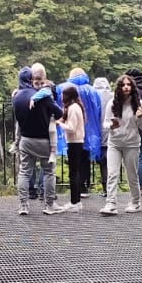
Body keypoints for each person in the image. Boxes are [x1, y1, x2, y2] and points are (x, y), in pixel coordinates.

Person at [12, 65, 63, 216]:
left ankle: (23, 205)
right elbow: (59, 113)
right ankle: (49, 205)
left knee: (24, 172)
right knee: (48, 172)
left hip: (26, 139)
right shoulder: (43, 96)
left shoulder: (17, 96)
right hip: (44, 140)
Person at [101, 73, 142, 215]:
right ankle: (111, 204)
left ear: (132, 87)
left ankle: (135, 202)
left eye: (128, 85)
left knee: (131, 174)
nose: (126, 87)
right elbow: (105, 123)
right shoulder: (112, 103)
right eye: (123, 85)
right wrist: (111, 125)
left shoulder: (139, 104)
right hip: (114, 143)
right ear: (119, 88)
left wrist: (140, 117)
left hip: (131, 144)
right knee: (112, 173)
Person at [67, 69, 104, 196]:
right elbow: (98, 109)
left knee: (74, 159)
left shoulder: (69, 90)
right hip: (89, 130)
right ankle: (84, 185)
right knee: (85, 158)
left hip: (73, 130)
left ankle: (75, 187)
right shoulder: (92, 91)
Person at [60, 83, 89, 211]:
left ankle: (75, 202)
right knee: (75, 171)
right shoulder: (77, 107)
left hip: (74, 142)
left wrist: (60, 124)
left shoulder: (72, 108)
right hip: (77, 141)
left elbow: (71, 128)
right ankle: (75, 201)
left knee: (73, 172)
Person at [92, 76, 112, 192]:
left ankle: (104, 187)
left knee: (101, 161)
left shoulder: (92, 96)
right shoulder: (112, 96)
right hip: (110, 132)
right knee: (110, 162)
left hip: (96, 133)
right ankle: (109, 188)